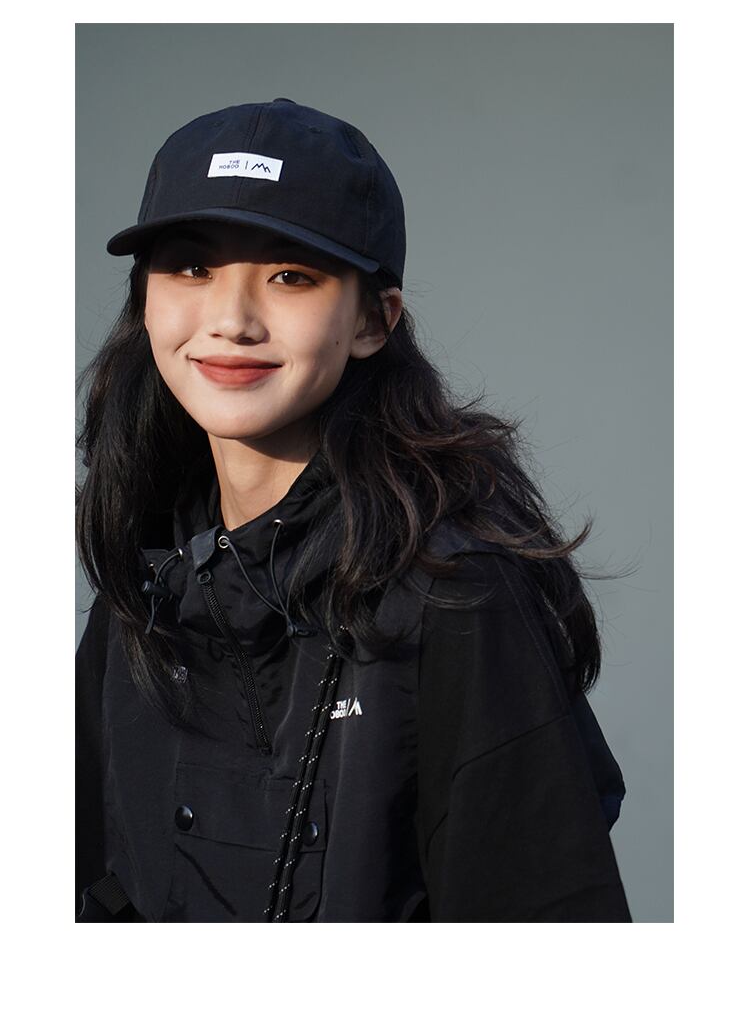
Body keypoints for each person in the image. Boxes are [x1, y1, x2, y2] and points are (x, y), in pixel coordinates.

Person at [75, 97, 632, 922]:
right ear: (145, 301)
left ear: (374, 320)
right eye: (192, 269)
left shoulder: (456, 592)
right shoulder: (145, 579)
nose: (230, 320)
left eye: (290, 276)